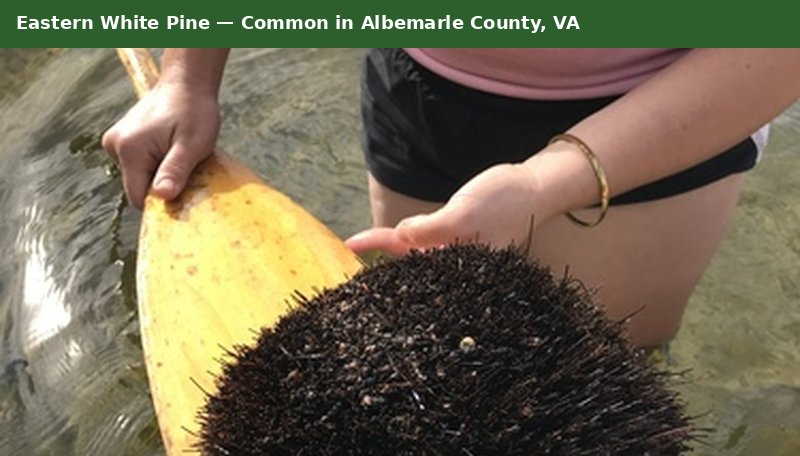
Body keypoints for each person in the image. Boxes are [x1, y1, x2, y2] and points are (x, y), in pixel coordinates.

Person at [102, 48, 800, 347]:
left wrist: (544, 182)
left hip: (656, 107)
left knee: (600, 372)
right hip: (419, 81)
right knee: (421, 350)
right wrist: (188, 78)